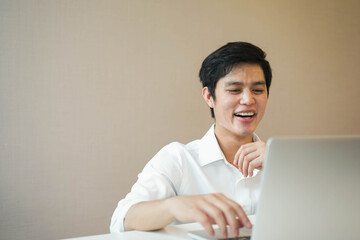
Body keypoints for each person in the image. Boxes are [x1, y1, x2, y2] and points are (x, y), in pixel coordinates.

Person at [110, 41, 272, 239]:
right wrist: (173, 206)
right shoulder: (179, 158)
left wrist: (286, 165)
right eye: (234, 90)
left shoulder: (284, 161)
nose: (248, 100)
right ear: (209, 97)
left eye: (257, 90)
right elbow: (121, 220)